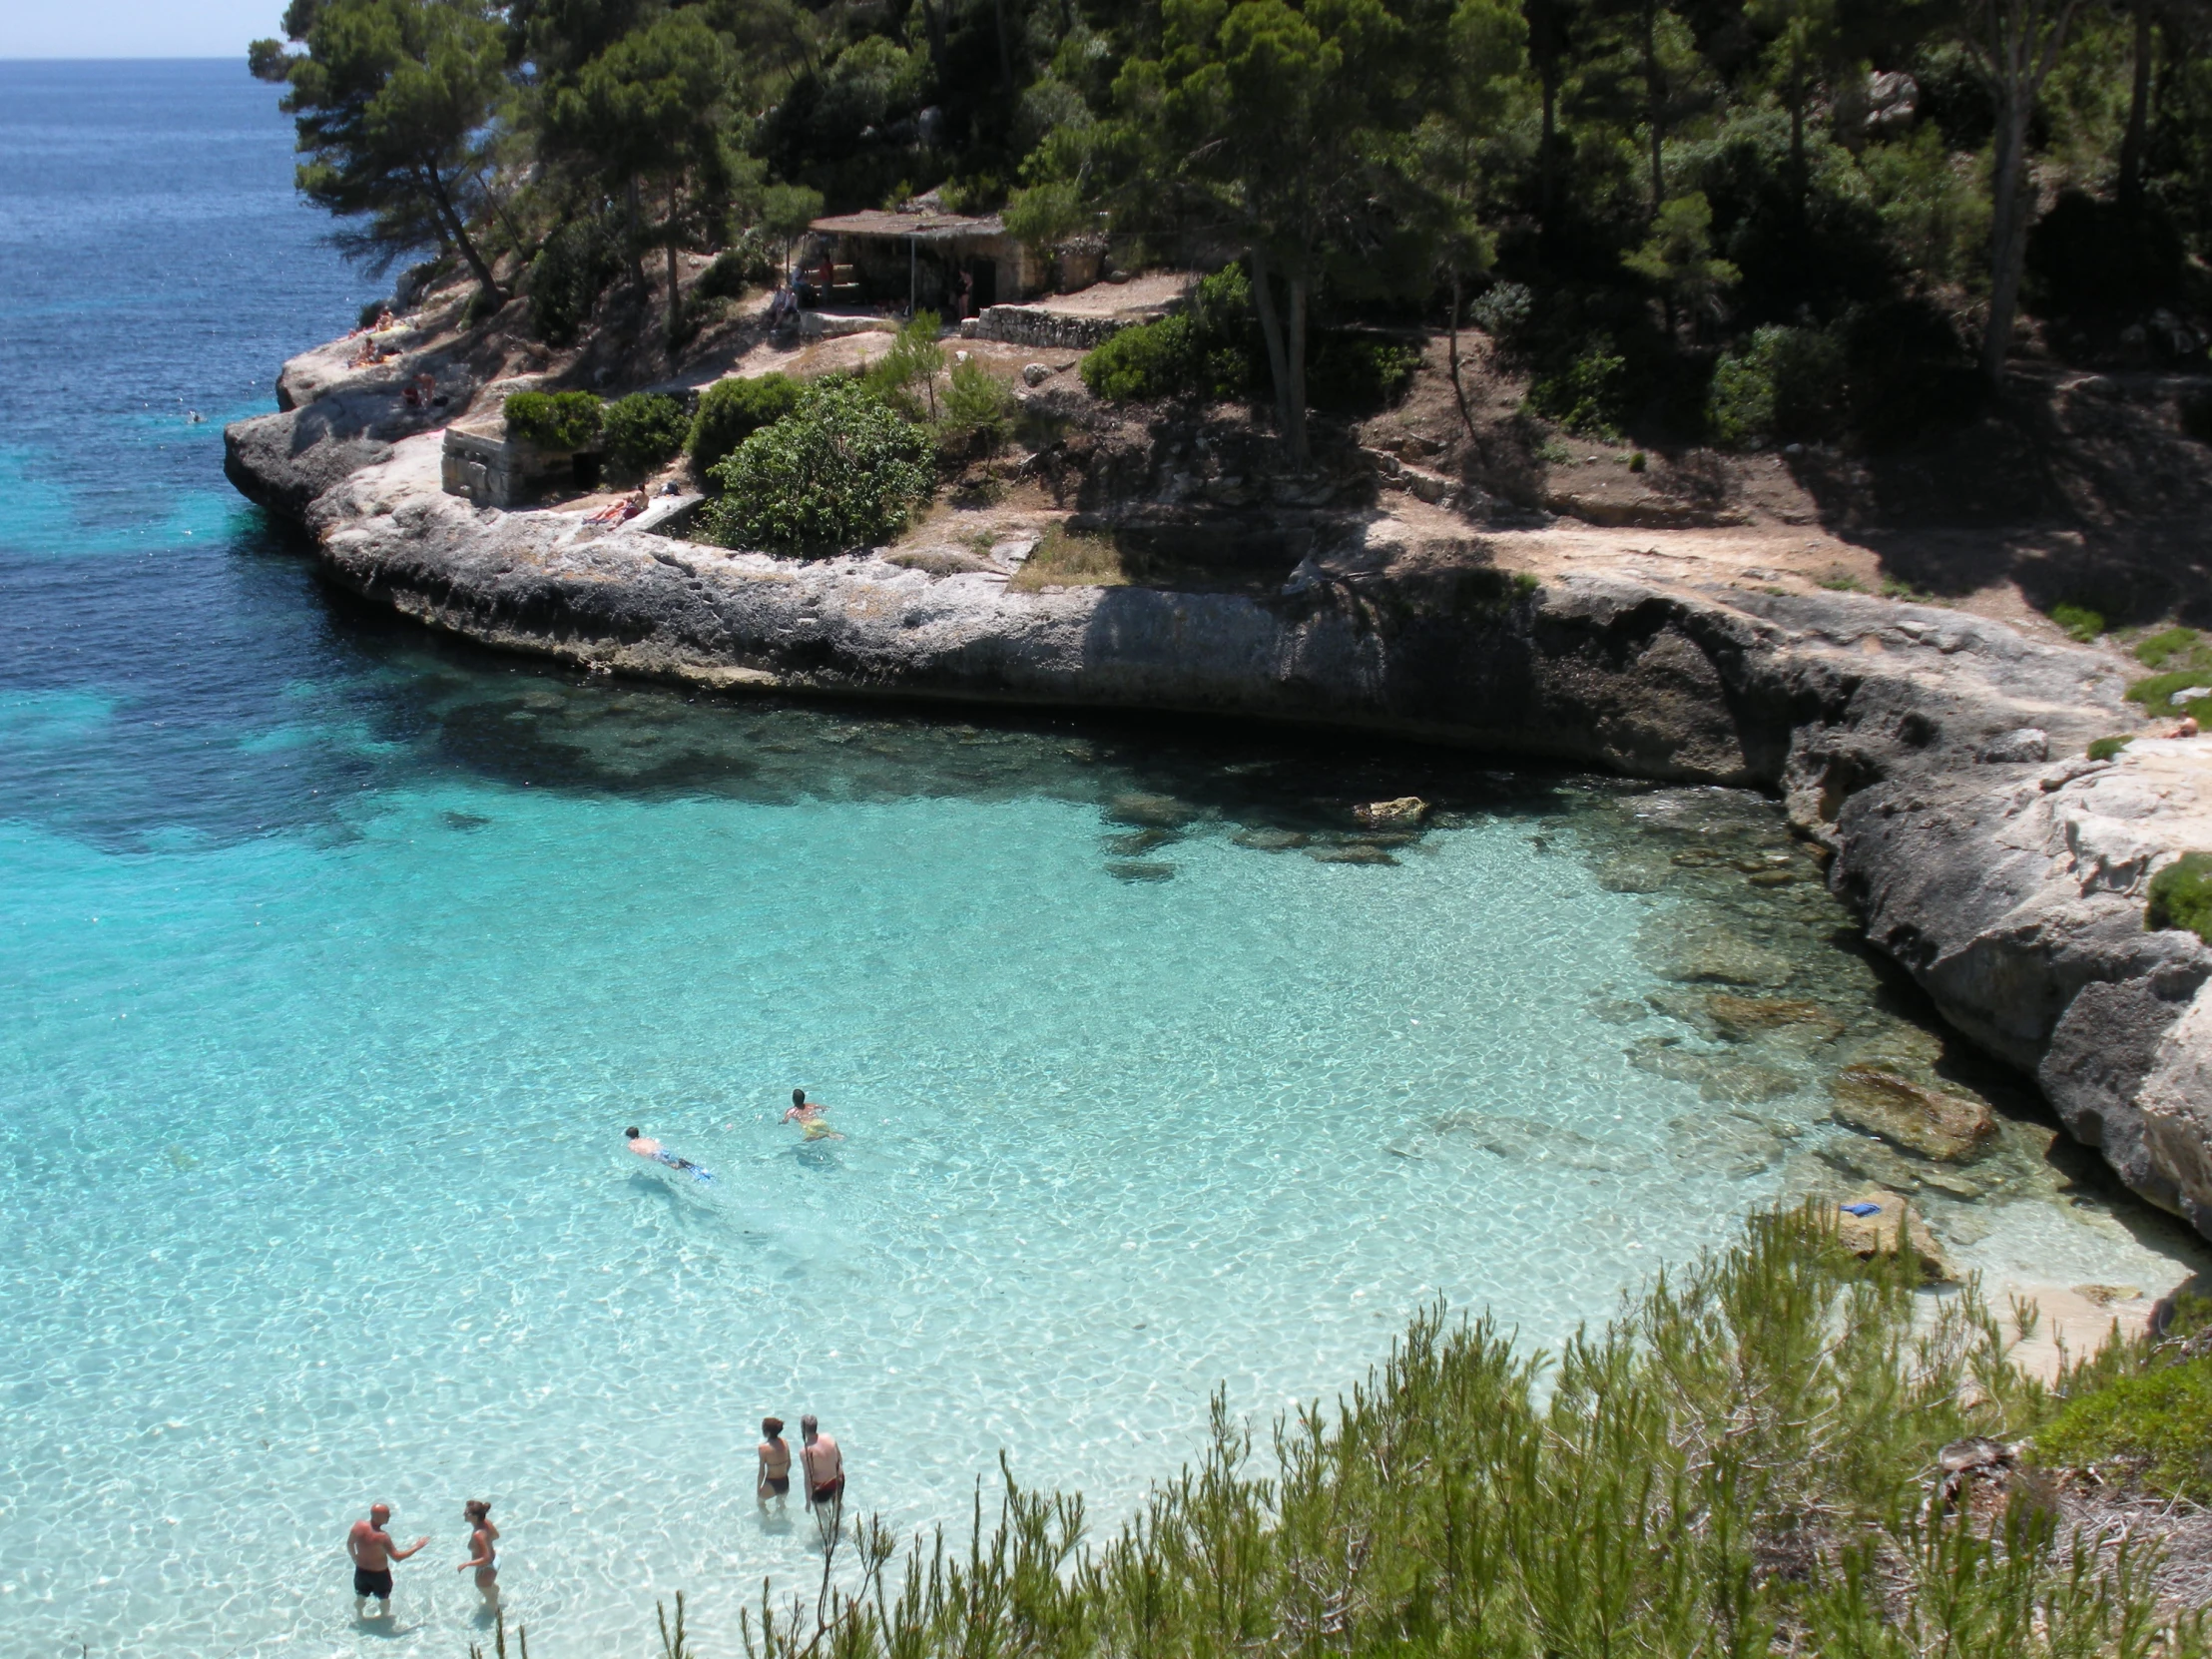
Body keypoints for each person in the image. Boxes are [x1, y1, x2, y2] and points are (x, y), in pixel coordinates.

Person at [346, 1502, 427, 1620]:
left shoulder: (358, 1526)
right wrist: (417, 1547)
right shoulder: (382, 1537)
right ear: (379, 1517)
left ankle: (359, 1615)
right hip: (379, 1575)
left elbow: (349, 1543)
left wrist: (354, 1557)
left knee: (360, 1596)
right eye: (387, 1515)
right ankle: (384, 1617)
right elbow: (397, 1557)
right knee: (384, 1598)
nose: (389, 1516)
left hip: (361, 1571)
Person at [456, 1499, 500, 1611]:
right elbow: (496, 1536)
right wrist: (487, 1544)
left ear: (474, 1516)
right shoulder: (486, 1522)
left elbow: (486, 1558)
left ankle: (494, 1616)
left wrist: (466, 1564)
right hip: (495, 1560)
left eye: (466, 1513)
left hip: (485, 1569)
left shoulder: (478, 1535)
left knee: (489, 1599)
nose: (463, 1514)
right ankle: (494, 1592)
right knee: (490, 1590)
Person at [626, 1126, 713, 1181]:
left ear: (629, 1136)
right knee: (676, 1160)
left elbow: (641, 1153)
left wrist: (649, 1159)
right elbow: (657, 1144)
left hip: (656, 1154)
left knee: (674, 1166)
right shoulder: (646, 1139)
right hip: (663, 1150)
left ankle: (687, 1169)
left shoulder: (631, 1144)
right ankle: (689, 1165)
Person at [800, 1414, 844, 1512]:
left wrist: (807, 1503)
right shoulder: (829, 1437)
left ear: (802, 1429)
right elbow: (840, 1460)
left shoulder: (805, 1451)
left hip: (822, 1489)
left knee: (822, 1514)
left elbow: (808, 1478)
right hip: (839, 1480)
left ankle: (825, 1527)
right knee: (837, 1508)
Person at [758, 1416, 793, 1509]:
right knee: (781, 1505)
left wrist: (758, 1489)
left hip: (771, 1483)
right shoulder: (785, 1442)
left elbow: (762, 1472)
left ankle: (766, 1522)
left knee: (760, 1502)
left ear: (767, 1432)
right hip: (785, 1482)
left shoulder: (763, 1448)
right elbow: (789, 1464)